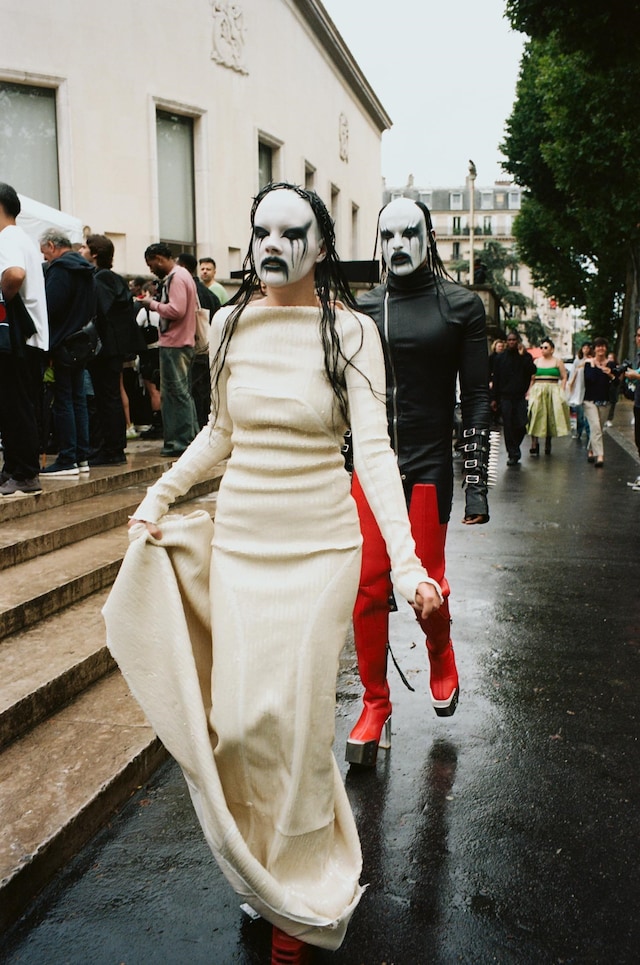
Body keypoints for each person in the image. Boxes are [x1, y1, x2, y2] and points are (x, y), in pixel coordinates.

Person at [104, 182, 442, 963]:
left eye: (293, 232)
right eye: (262, 230)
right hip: (242, 542)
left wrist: (408, 561)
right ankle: (264, 874)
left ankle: (299, 901)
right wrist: (159, 495)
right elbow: (220, 432)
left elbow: (377, 454)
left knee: (291, 727)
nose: (274, 245)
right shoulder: (226, 324)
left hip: (320, 548)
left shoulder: (353, 332)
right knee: (238, 726)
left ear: (321, 246)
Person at [346, 196, 490, 768]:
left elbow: (477, 397)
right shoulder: (361, 310)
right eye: (387, 236)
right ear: (378, 243)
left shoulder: (460, 307)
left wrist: (477, 481)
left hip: (430, 469)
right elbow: (342, 400)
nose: (398, 245)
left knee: (429, 585)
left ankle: (439, 650)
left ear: (428, 238)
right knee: (366, 588)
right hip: (372, 467)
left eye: (409, 233)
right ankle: (375, 703)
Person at [0, 182, 49, 496]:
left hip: (20, 339)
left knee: (15, 406)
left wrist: (4, 295)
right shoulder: (24, 238)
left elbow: (14, 275)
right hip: (31, 340)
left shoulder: (7, 238)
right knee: (19, 405)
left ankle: (26, 473)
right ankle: (16, 469)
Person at [80, 234, 145, 466]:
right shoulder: (107, 277)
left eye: (84, 247)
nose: (80, 250)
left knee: (108, 397)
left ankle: (112, 449)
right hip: (111, 348)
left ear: (95, 253)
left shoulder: (103, 277)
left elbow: (100, 310)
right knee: (109, 395)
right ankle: (112, 448)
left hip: (107, 349)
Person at [39, 229, 96, 475]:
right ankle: (81, 456)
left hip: (63, 342)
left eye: (45, 253)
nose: (45, 259)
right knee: (78, 399)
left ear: (52, 245)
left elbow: (49, 307)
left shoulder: (61, 269)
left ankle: (67, 458)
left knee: (64, 400)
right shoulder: (85, 269)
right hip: (82, 341)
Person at [139, 243, 199, 457]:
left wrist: (151, 304)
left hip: (175, 342)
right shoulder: (184, 275)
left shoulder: (176, 278)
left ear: (158, 258)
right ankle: (189, 438)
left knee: (175, 394)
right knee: (182, 393)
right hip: (183, 341)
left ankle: (179, 442)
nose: (151, 269)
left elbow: (176, 310)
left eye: (151, 264)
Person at [177, 252, 221, 428]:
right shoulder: (208, 293)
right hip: (209, 348)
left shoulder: (189, 290)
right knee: (204, 392)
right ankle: (206, 426)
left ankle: (197, 428)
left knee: (192, 391)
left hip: (192, 346)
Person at [490, 329, 536, 465]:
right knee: (508, 426)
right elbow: (496, 379)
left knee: (522, 424)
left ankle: (515, 446)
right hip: (505, 397)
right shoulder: (500, 358)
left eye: (514, 340)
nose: (511, 342)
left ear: (518, 342)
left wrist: (523, 357)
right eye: (509, 340)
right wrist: (494, 398)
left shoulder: (525, 356)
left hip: (520, 396)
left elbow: (533, 370)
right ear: (506, 342)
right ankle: (513, 453)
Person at [526, 338, 571, 456]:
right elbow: (532, 378)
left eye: (546, 347)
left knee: (550, 415)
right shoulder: (536, 362)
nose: (543, 350)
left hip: (552, 389)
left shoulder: (557, 362)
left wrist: (562, 389)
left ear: (552, 349)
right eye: (541, 347)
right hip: (538, 389)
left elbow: (564, 376)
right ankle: (534, 443)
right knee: (535, 414)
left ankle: (548, 441)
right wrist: (529, 391)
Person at [579, 336, 617, 468]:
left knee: (598, 428)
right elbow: (589, 379)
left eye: (603, 346)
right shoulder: (589, 364)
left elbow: (617, 383)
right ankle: (599, 455)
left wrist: (611, 375)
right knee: (595, 427)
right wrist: (595, 366)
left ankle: (591, 449)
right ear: (594, 349)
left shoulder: (611, 364)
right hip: (590, 401)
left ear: (606, 348)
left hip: (606, 401)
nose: (601, 348)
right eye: (598, 346)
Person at [567, 341, 592, 445]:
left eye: (587, 348)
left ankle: (589, 433)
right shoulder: (578, 361)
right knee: (580, 415)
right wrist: (571, 387)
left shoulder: (592, 360)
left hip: (588, 390)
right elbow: (572, 374)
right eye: (584, 348)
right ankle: (579, 431)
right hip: (578, 390)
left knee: (588, 415)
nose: (585, 350)